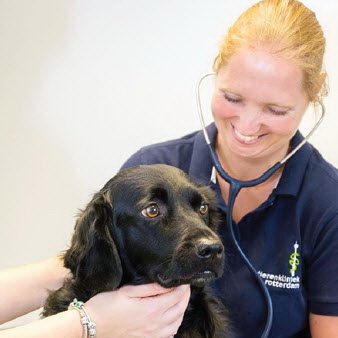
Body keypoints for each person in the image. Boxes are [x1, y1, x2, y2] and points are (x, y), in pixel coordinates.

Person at [1, 0, 337, 337]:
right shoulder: (150, 169)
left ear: (313, 94)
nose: (247, 125)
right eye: (233, 97)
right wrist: (83, 322)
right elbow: (91, 274)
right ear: (216, 74)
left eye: (276, 109)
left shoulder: (327, 202)